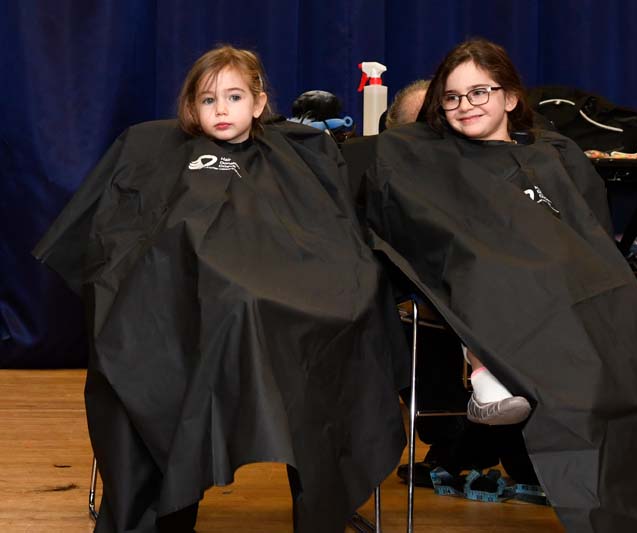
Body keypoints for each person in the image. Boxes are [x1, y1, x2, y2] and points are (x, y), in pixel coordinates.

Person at [33, 45, 408, 533]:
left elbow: (327, 237)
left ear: (259, 102)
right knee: (141, 345)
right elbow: (125, 244)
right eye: (208, 100)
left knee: (331, 323)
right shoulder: (154, 150)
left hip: (286, 309)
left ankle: (320, 501)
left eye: (234, 97)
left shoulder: (297, 155)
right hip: (175, 310)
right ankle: (163, 507)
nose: (222, 109)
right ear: (192, 107)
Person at [364, 38, 637, 532]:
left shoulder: (554, 155)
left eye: (479, 92)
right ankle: (490, 365)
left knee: (635, 333)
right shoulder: (426, 160)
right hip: (512, 294)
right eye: (452, 97)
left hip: (580, 290)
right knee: (507, 286)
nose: (465, 105)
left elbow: (591, 232)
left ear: (510, 97)